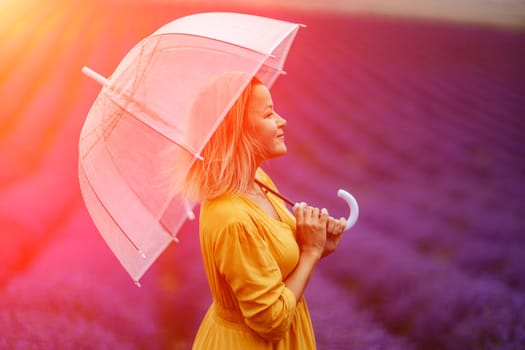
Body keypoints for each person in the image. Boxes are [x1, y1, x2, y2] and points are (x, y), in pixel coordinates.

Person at [184, 73, 346, 349]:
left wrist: (317, 245)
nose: (282, 121)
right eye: (269, 114)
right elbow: (271, 321)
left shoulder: (258, 181)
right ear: (238, 130)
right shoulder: (233, 218)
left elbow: (271, 266)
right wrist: (310, 253)